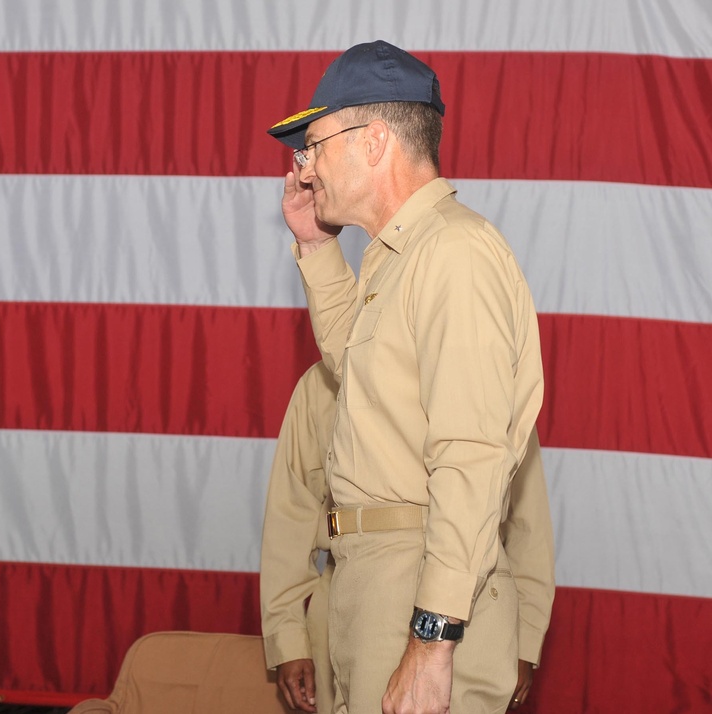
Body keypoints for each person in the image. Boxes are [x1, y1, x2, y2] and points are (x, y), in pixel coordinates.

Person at [266, 40, 545, 713]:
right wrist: (315, 245)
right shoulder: (400, 256)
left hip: (417, 587)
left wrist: (433, 637)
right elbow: (357, 376)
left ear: (374, 140)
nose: (304, 166)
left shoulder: (453, 253)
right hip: (373, 584)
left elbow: (470, 459)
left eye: (315, 143)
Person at [259, 362, 555, 713]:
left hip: (476, 601)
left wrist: (526, 639)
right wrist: (288, 640)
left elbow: (527, 525)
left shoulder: (490, 379)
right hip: (349, 596)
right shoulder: (325, 381)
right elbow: (291, 516)